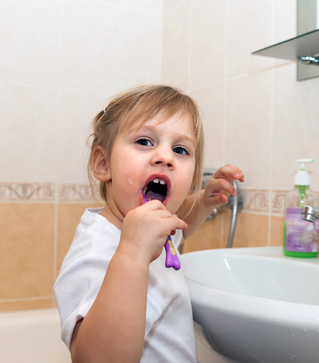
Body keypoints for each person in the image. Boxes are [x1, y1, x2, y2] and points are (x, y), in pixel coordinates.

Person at [53, 84, 245, 363]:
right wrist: (132, 253)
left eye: (180, 150)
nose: (165, 157)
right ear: (103, 164)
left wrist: (203, 202)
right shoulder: (98, 250)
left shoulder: (146, 231)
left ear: (191, 179)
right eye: (145, 142)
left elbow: (176, 233)